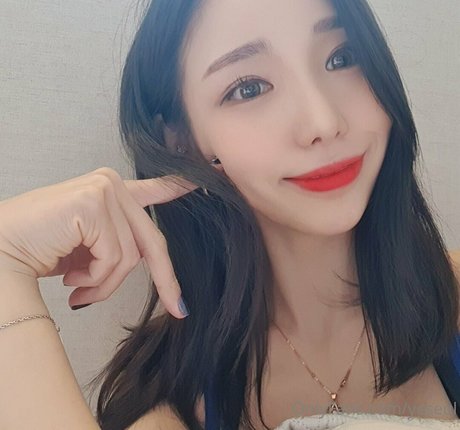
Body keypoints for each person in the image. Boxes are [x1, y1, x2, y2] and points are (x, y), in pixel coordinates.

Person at [0, 0, 459, 429]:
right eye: (249, 88)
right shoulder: (176, 401)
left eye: (342, 57)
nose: (323, 122)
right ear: (183, 141)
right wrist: (7, 254)